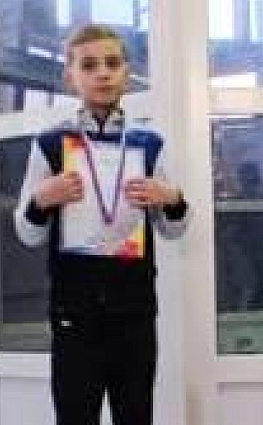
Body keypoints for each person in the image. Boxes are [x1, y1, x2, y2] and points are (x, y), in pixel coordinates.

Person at [13, 24, 189, 425]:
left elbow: (173, 230)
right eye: (89, 65)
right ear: (70, 76)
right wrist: (41, 200)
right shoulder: (50, 144)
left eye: (112, 63)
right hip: (73, 311)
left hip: (135, 311)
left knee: (136, 416)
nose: (103, 73)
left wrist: (173, 199)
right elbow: (27, 233)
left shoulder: (149, 144)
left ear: (127, 71)